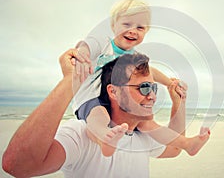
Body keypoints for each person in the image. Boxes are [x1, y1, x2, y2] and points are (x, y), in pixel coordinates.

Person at [2, 50, 210, 178]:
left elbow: (174, 148)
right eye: (144, 88)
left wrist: (179, 102)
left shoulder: (141, 136)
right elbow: (18, 166)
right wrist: (70, 80)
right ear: (113, 91)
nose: (152, 96)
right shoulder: (80, 134)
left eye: (154, 89)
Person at [72, 0, 189, 156]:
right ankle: (105, 138)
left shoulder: (132, 57)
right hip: (90, 97)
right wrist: (83, 55)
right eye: (126, 24)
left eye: (140, 27)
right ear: (113, 26)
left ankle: (185, 143)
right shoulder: (104, 43)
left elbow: (151, 71)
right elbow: (87, 45)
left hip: (113, 101)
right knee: (99, 114)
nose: (133, 30)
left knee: (147, 123)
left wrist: (169, 84)